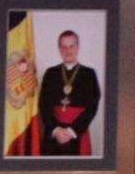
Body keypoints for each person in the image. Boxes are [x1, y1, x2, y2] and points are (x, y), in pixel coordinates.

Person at [33, 28, 103, 157]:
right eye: (64, 47)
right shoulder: (50, 73)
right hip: (53, 134)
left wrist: (72, 131)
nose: (68, 50)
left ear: (78, 47)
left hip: (77, 133)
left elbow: (92, 107)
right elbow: (43, 104)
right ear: (59, 49)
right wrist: (56, 130)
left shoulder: (89, 74)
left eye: (71, 46)